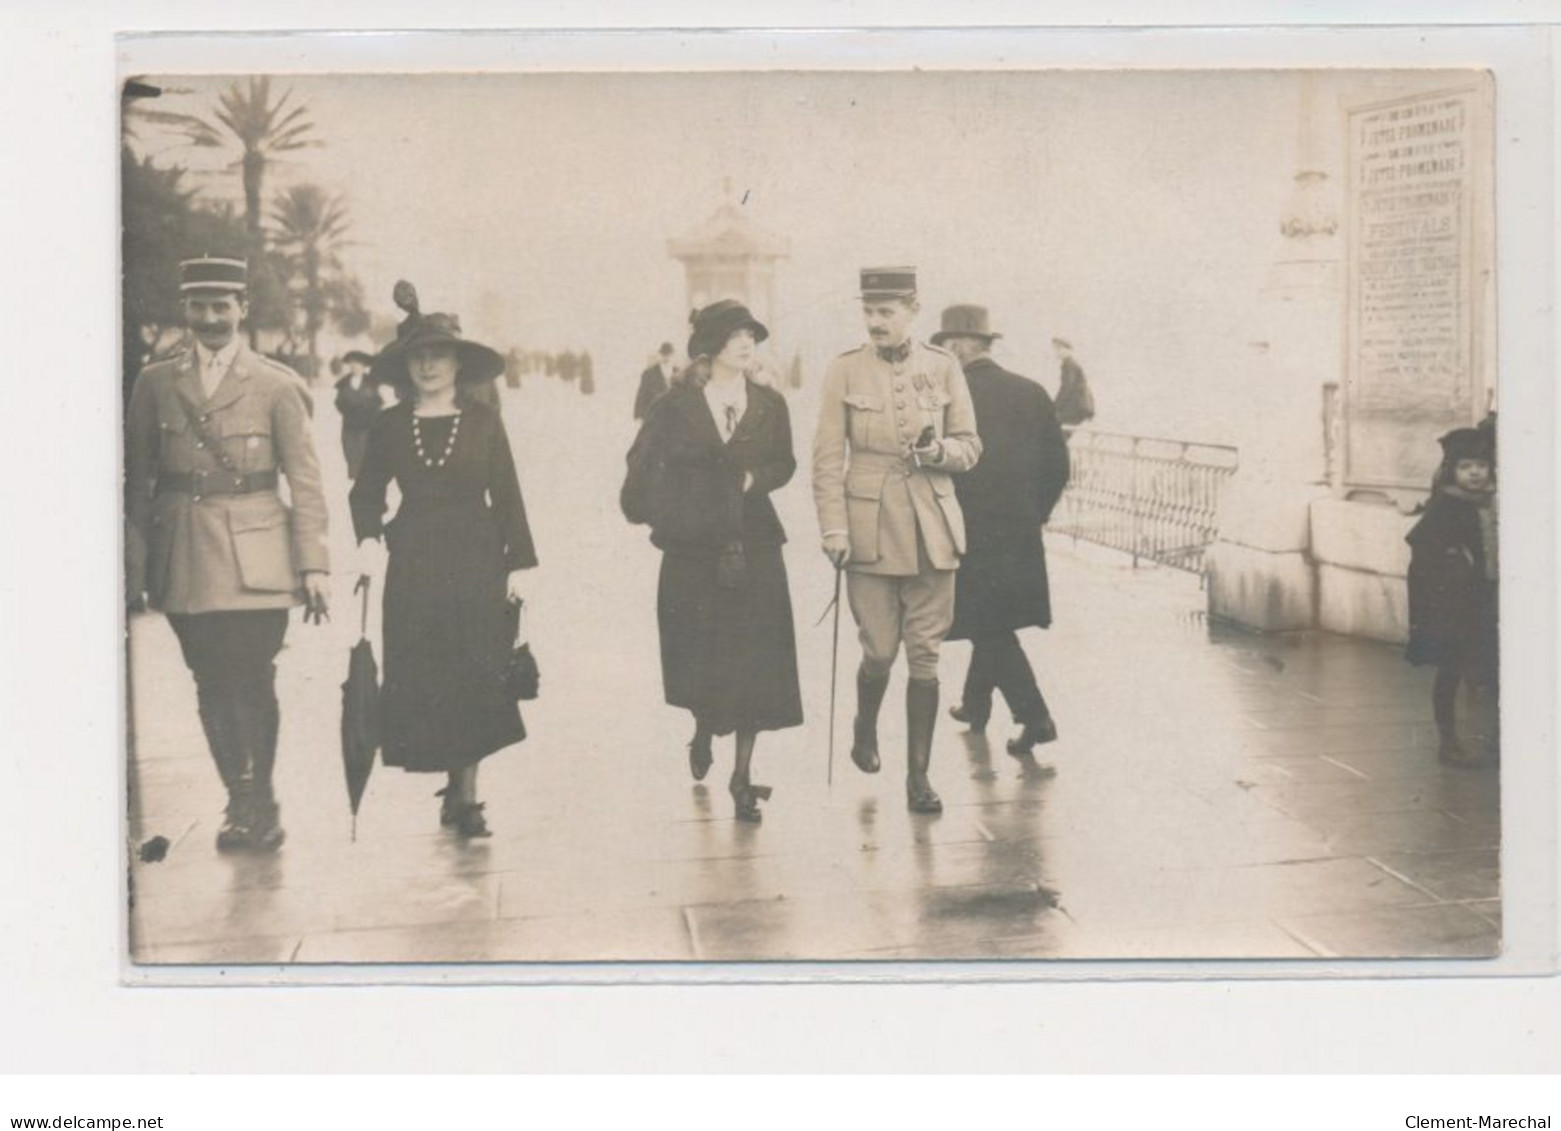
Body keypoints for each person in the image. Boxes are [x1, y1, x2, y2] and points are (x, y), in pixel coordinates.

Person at [125, 255, 331, 852]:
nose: (211, 318)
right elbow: (138, 482)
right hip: (184, 552)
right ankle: (238, 800)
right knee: (209, 679)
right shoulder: (156, 383)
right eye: (199, 306)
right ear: (184, 310)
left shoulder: (275, 384)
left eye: (223, 306)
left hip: (259, 555)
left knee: (253, 676)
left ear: (244, 308)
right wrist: (135, 570)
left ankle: (258, 800)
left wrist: (313, 563)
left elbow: (306, 480)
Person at [350, 312, 538, 838]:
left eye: (439, 354)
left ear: (459, 363)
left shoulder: (482, 421)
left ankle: (468, 796)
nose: (428, 364)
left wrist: (520, 563)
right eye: (418, 355)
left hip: (477, 560)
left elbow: (507, 494)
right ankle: (453, 787)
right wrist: (367, 539)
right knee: (429, 674)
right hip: (413, 565)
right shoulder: (389, 425)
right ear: (406, 364)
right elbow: (366, 493)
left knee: (475, 672)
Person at [621, 301, 803, 822]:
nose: (746, 344)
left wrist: (752, 480)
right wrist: (679, 504)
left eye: (751, 335)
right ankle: (703, 725)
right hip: (694, 547)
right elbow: (643, 465)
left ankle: (742, 776)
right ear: (709, 346)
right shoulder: (673, 405)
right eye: (733, 336)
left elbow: (784, 462)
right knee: (700, 653)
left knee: (758, 662)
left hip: (755, 544)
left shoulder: (769, 403)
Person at [812, 267, 982, 814]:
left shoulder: (944, 366)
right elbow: (825, 460)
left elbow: (970, 445)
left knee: (926, 658)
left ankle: (919, 777)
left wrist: (939, 456)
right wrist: (834, 528)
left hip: (934, 529)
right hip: (869, 532)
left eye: (886, 312)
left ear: (912, 309)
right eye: (869, 311)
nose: (875, 321)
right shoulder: (843, 371)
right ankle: (865, 726)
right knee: (880, 652)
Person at [931, 306, 1070, 755]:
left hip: (966, 531)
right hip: (1019, 532)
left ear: (956, 346)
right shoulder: (1031, 392)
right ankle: (975, 705)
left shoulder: (947, 397)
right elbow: (1058, 466)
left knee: (987, 625)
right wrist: (1036, 513)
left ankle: (1035, 717)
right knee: (990, 619)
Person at [1405, 425, 1498, 767]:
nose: (1474, 473)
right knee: (1452, 669)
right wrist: (1456, 560)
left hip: (1491, 597)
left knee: (1495, 669)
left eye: (1481, 465)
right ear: (1452, 471)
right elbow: (1424, 550)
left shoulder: (1494, 501)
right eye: (1465, 467)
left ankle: (1501, 740)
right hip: (1459, 603)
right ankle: (1448, 741)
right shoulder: (1446, 505)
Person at [333, 349, 382, 480]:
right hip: (350, 426)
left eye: (358, 364)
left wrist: (368, 411)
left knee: (367, 454)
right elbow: (338, 402)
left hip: (368, 425)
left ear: (364, 366)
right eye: (352, 364)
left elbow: (378, 402)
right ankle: (355, 483)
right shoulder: (343, 384)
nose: (354, 367)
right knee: (351, 454)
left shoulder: (372, 382)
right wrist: (349, 409)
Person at [1052, 338, 1095, 428]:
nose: (1057, 352)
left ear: (1069, 350)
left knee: (1050, 420)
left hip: (1076, 408)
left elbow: (1066, 388)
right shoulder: (1071, 364)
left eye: (1059, 348)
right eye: (1055, 349)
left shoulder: (1069, 365)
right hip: (1080, 408)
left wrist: (1054, 406)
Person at [634, 342, 677, 421]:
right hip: (654, 418)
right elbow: (641, 396)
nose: (666, 358)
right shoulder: (649, 374)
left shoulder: (679, 373)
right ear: (660, 355)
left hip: (674, 418)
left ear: (673, 355)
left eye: (669, 354)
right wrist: (639, 417)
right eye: (664, 354)